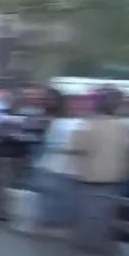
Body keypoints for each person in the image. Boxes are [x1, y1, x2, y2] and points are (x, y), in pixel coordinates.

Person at [71, 89, 129, 253]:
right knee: (108, 212)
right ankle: (101, 243)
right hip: (117, 176)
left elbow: (76, 147)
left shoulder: (88, 123)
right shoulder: (125, 126)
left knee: (89, 211)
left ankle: (86, 243)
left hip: (90, 174)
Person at [34, 92, 81, 236]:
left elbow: (48, 141)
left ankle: (44, 224)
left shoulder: (57, 122)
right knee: (61, 198)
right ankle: (54, 226)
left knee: (49, 197)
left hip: (50, 164)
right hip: (65, 166)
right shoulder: (77, 124)